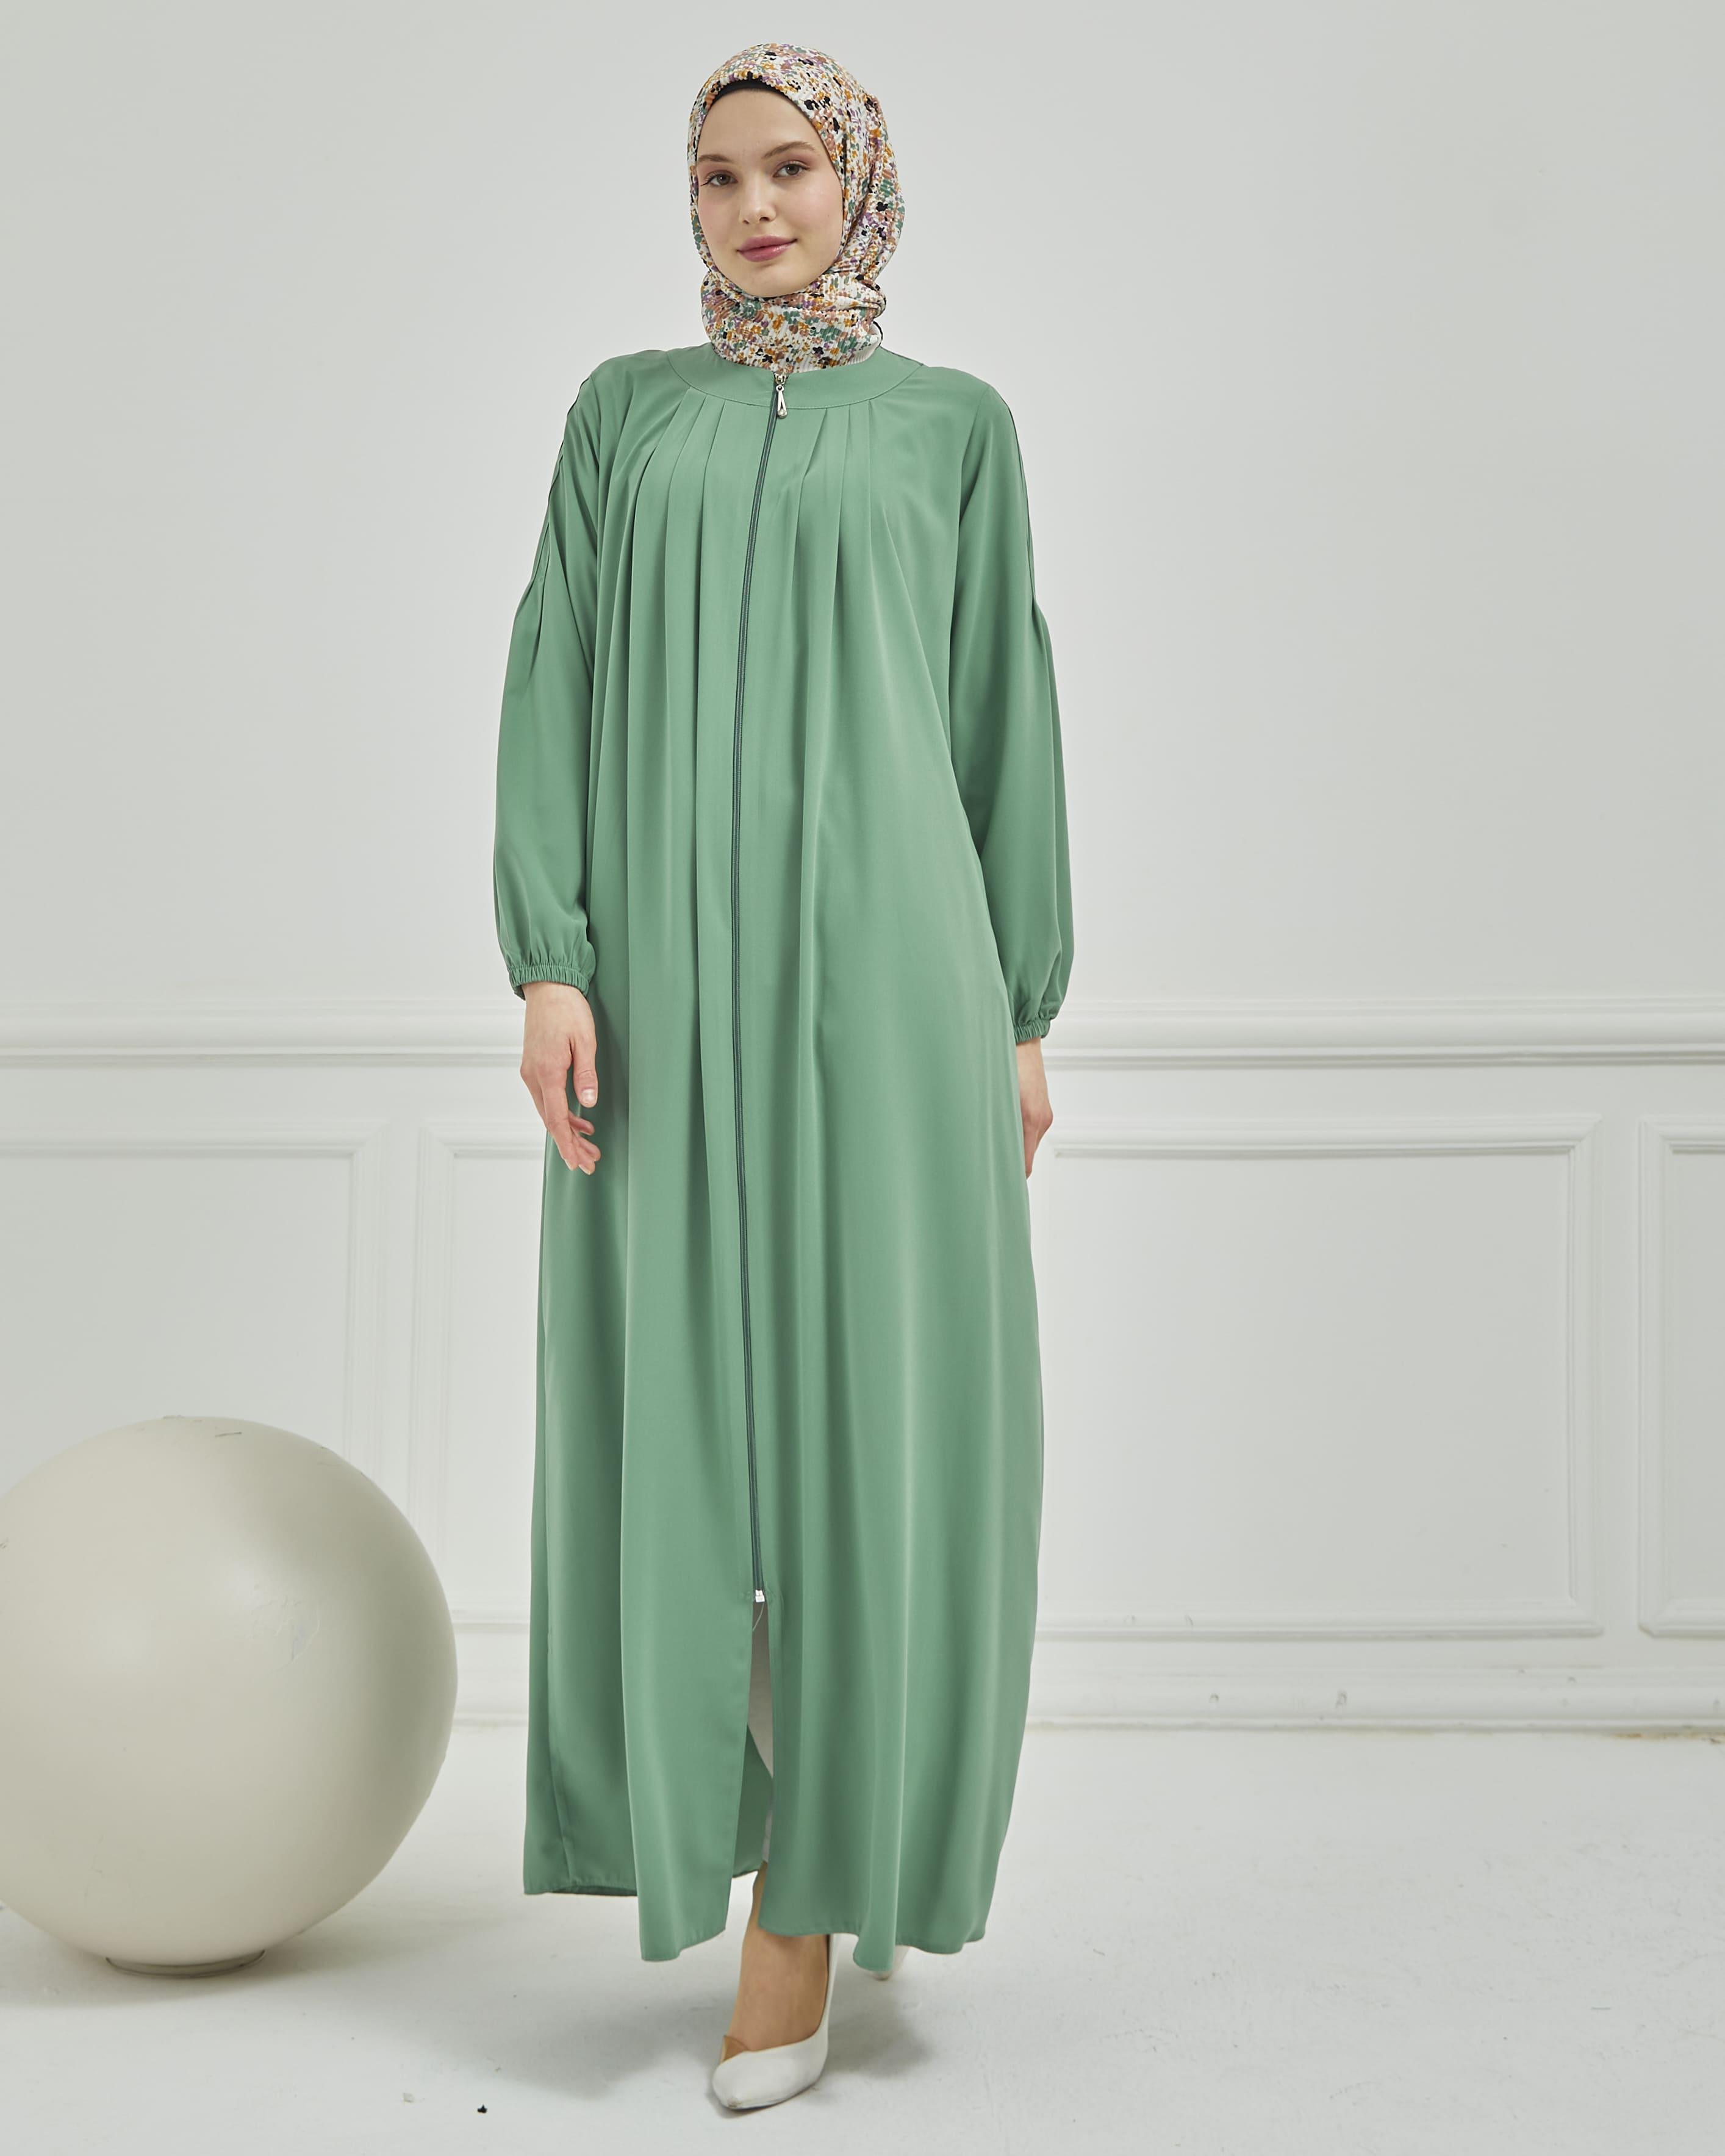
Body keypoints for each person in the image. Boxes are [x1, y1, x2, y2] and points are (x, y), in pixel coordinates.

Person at [492, 40, 1074, 2111]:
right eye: (720, 174)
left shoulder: (952, 429)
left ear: (862, 188)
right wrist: (548, 958)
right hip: (658, 996)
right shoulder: (622, 416)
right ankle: (732, 1831)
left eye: (794, 168)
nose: (756, 207)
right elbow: (555, 669)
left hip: (894, 991)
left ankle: (811, 1908)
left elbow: (999, 714)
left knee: (865, 1433)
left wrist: (1019, 1008)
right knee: (678, 1429)